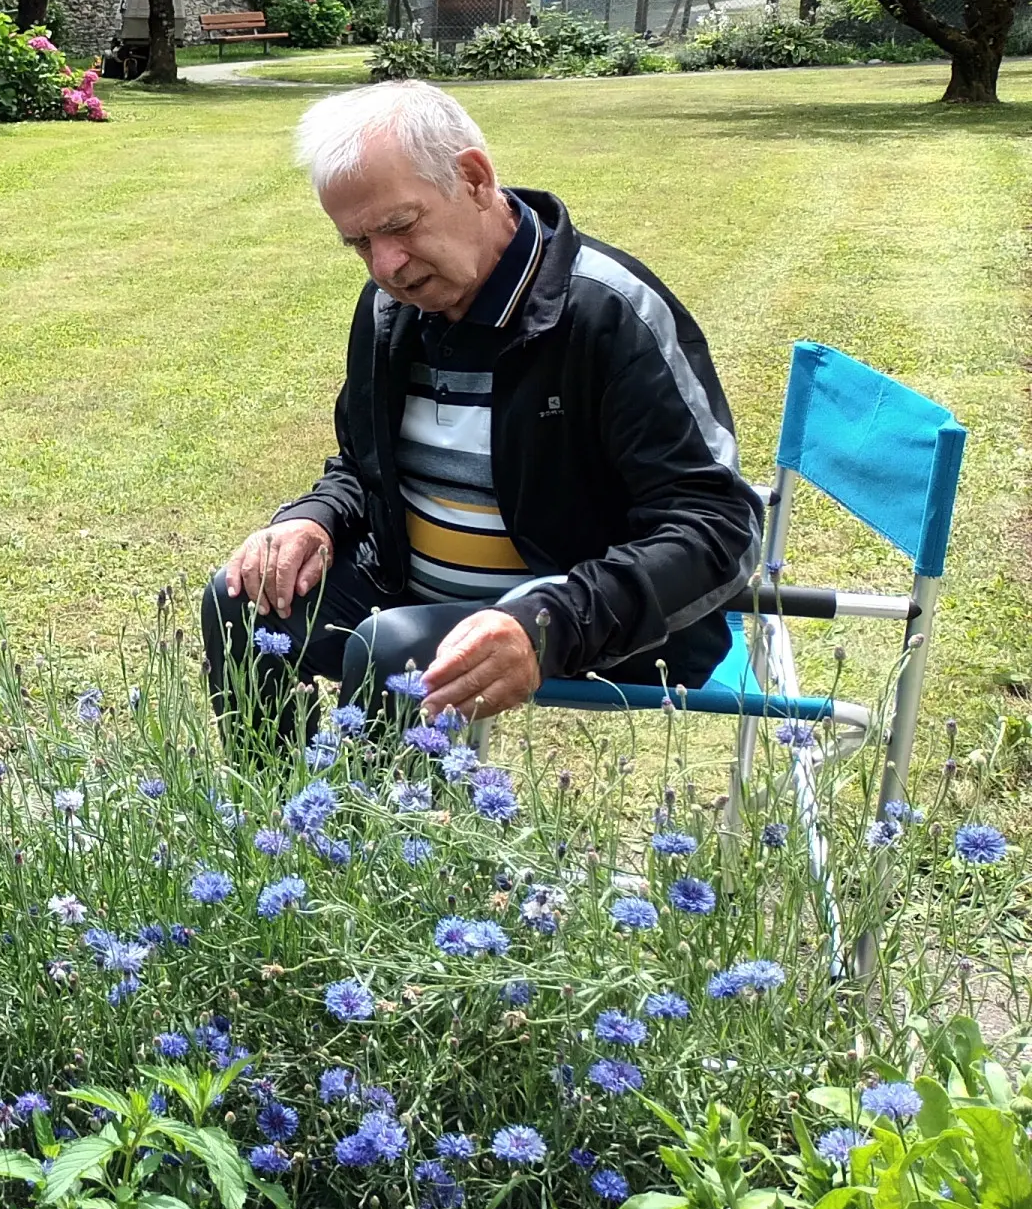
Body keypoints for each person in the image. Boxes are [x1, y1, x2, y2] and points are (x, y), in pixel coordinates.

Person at [205, 80, 760, 740]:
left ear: (472, 178)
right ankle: (272, 825)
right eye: (358, 243)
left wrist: (545, 623)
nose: (384, 266)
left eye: (398, 225)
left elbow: (717, 526)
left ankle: (393, 840)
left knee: (397, 653)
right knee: (242, 599)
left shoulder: (607, 313)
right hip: (410, 593)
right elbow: (362, 466)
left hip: (587, 614)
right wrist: (315, 520)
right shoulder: (391, 309)